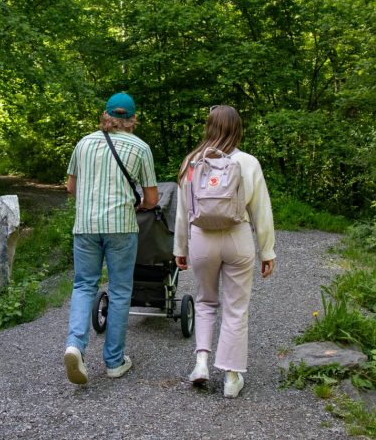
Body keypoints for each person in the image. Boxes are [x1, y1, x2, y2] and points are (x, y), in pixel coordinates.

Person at [173, 105, 275, 398]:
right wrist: (268, 251)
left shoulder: (191, 162)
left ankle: (201, 364)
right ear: (237, 129)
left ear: (209, 127)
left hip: (202, 239)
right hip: (237, 237)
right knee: (236, 307)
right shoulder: (248, 162)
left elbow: (183, 212)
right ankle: (231, 377)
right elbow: (261, 211)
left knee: (205, 301)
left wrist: (180, 247)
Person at [63, 92, 159, 385]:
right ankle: (114, 362)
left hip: (86, 226)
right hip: (120, 226)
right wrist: (141, 203)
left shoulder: (84, 143)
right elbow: (152, 199)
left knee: (83, 285)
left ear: (105, 115)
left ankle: (75, 346)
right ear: (132, 119)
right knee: (119, 291)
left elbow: (70, 187)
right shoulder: (141, 148)